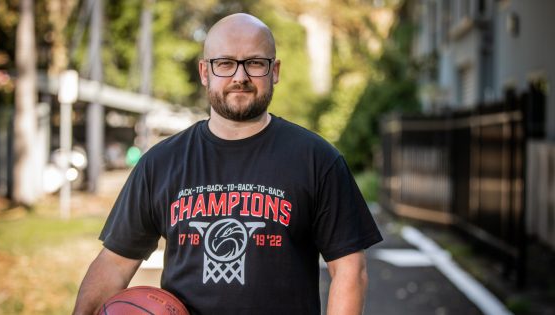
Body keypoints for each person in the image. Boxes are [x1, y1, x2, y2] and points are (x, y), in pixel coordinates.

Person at [73, 13, 382, 315]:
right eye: (225, 64)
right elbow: (114, 263)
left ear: (274, 71)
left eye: (255, 63)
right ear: (205, 72)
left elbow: (349, 270)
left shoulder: (317, 159)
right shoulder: (161, 162)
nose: (240, 77)